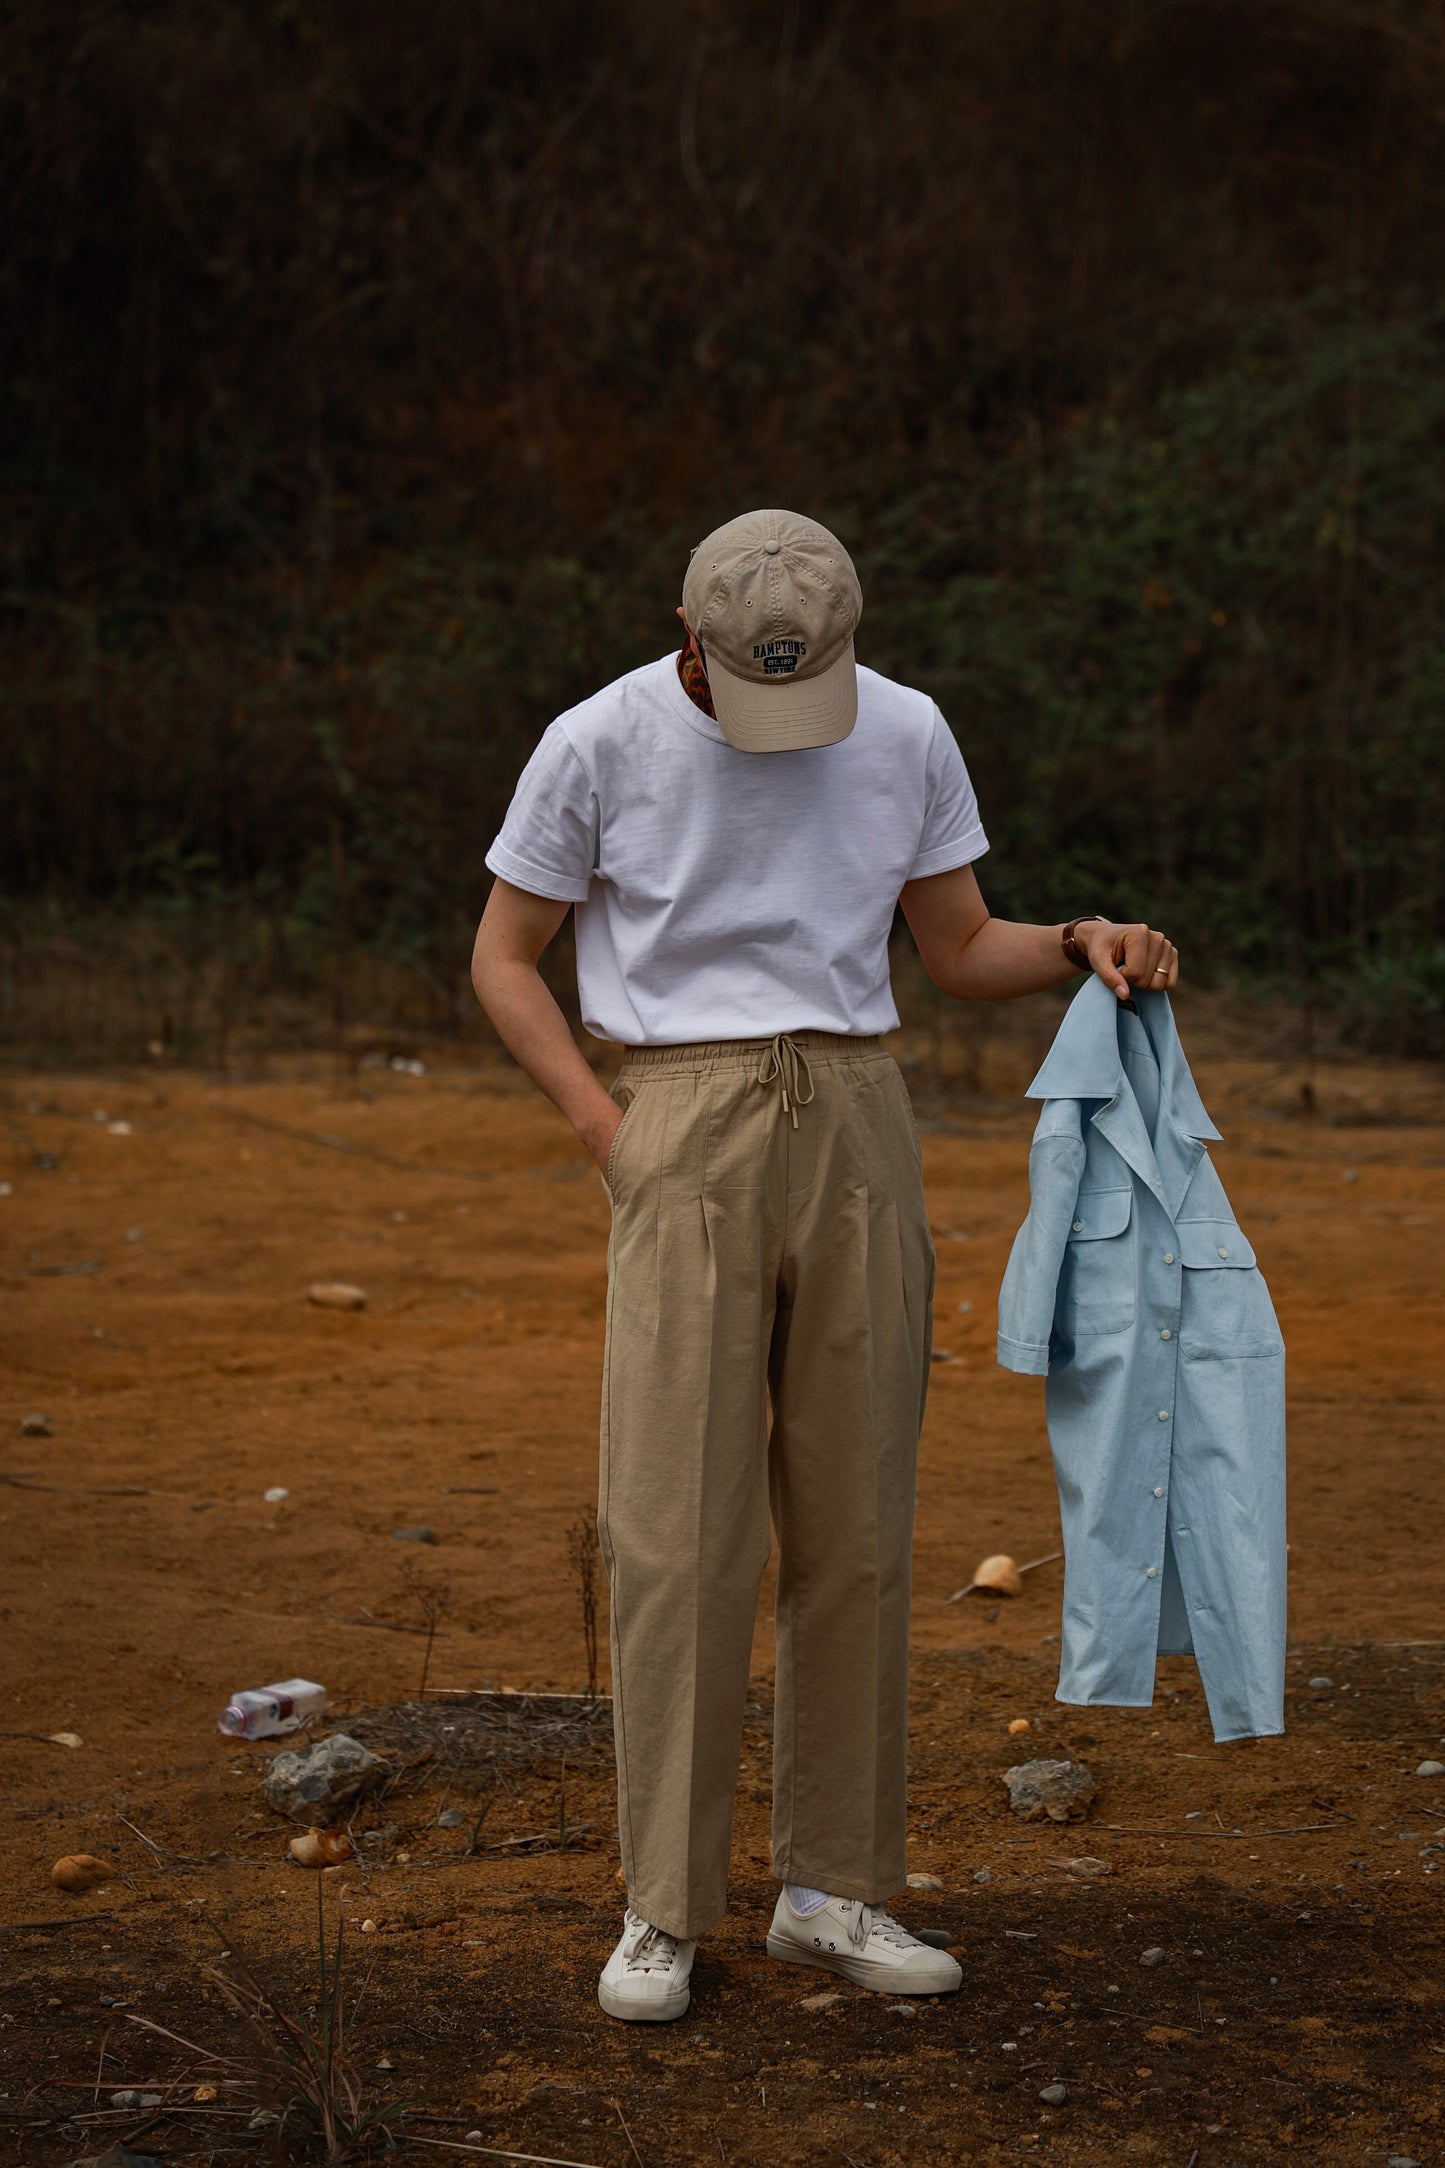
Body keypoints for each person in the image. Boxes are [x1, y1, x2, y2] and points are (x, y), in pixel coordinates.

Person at [471, 508, 1178, 2023]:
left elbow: (959, 942)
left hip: (858, 1114)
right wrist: (611, 1130)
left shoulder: (904, 729)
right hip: (682, 1120)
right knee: (675, 1535)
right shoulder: (596, 740)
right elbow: (502, 954)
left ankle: (830, 1891)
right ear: (693, 647)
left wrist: (1079, 937)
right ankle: (662, 1908)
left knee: (855, 1529)